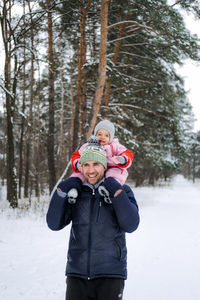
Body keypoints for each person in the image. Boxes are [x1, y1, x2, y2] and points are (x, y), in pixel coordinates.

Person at [46, 139, 140, 300]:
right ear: (80, 167)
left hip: (111, 275)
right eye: (86, 164)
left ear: (104, 165)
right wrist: (63, 189)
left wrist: (115, 189)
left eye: (96, 164)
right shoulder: (75, 193)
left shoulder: (122, 190)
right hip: (77, 275)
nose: (90, 170)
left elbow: (131, 225)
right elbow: (54, 224)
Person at [71, 119, 133, 186]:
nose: (102, 137)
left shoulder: (115, 146)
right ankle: (73, 187)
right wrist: (77, 163)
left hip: (111, 168)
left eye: (106, 135)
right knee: (79, 174)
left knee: (113, 175)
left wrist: (123, 159)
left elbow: (127, 153)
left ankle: (112, 188)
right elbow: (77, 154)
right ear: (95, 135)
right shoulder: (88, 145)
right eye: (99, 134)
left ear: (111, 138)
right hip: (93, 168)